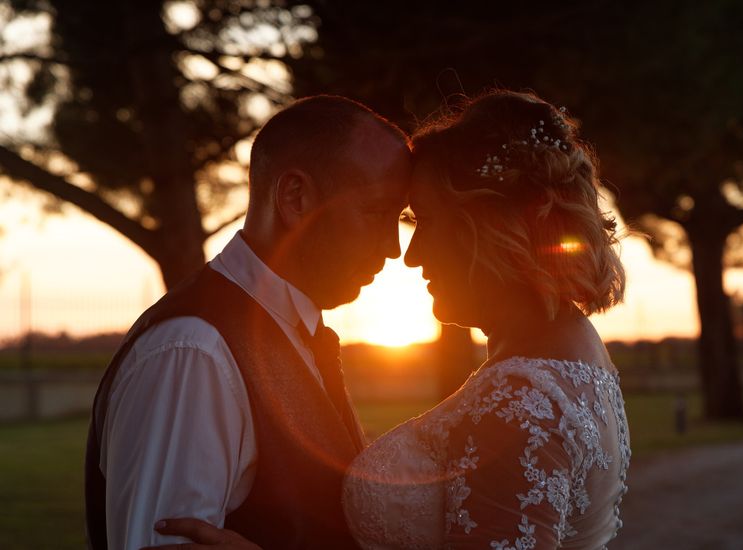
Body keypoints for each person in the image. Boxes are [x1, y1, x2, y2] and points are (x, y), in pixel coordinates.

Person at [148, 90, 631, 549]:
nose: (410, 254)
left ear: (491, 227)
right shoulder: (575, 353)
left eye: (424, 220)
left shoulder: (522, 399)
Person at [84, 95, 411, 550]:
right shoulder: (193, 353)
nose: (394, 247)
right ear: (295, 197)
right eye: (377, 213)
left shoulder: (297, 335)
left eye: (399, 218)